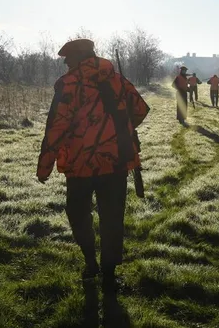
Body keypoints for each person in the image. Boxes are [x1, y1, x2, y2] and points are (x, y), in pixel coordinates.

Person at [36, 38, 150, 288]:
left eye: (68, 58)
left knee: (78, 215)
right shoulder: (117, 79)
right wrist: (118, 130)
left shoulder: (68, 84)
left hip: (80, 165)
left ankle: (91, 264)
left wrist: (44, 166)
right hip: (117, 160)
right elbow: (140, 110)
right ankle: (109, 275)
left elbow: (56, 128)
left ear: (79, 57)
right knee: (112, 219)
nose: (65, 63)